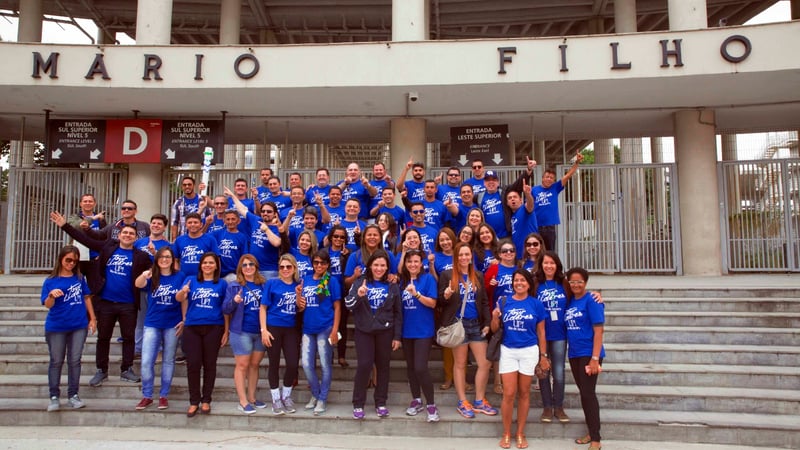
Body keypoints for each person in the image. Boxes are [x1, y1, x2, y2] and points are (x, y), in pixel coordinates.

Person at [50, 211, 150, 386]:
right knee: (103, 337)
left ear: (135, 238)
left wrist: (155, 253)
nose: (127, 236)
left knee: (128, 338)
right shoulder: (107, 247)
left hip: (128, 304)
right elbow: (85, 240)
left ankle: (126, 369)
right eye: (125, 233)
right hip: (106, 302)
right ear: (119, 235)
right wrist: (65, 226)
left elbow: (159, 266)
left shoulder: (140, 256)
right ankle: (101, 370)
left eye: (131, 234)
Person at [490, 269, 549, 450]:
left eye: (523, 280)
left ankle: (520, 433)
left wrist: (543, 356)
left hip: (529, 351)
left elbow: (541, 332)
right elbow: (494, 329)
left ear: (529, 283)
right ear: (512, 283)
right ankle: (506, 432)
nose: (519, 283)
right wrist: (494, 317)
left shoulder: (536, 304)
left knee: (524, 393)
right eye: (516, 280)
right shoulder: (504, 301)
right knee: (509, 393)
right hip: (508, 350)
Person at [437, 242, 496, 419]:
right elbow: (440, 301)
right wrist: (446, 295)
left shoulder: (477, 275)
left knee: (485, 363)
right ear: (456, 257)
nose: (464, 258)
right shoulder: (447, 275)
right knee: (460, 364)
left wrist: (487, 322)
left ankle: (479, 400)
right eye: (460, 255)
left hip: (476, 324)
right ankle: (462, 401)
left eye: (467, 254)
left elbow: (484, 301)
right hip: (457, 325)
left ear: (471, 256)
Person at [345, 250, 402, 420]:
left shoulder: (392, 286)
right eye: (376, 265)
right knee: (364, 365)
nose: (379, 268)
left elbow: (398, 313)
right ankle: (358, 403)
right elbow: (349, 304)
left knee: (383, 367)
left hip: (385, 331)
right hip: (364, 331)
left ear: (387, 267)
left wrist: (397, 336)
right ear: (370, 265)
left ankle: (381, 402)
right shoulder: (360, 282)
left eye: (382, 265)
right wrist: (359, 295)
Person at [42, 245, 96, 412]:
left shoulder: (79, 278)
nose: (71, 263)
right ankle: (54, 396)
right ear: (61, 259)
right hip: (57, 326)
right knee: (56, 361)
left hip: (78, 325)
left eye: (74, 260)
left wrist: (92, 318)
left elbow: (86, 298)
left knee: (75, 360)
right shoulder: (50, 281)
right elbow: (47, 304)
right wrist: (51, 295)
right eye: (68, 260)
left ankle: (73, 395)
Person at [176, 252, 229, 417]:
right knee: (193, 364)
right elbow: (179, 299)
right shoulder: (191, 280)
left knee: (210, 364)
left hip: (214, 327)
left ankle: (206, 400)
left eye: (211, 263)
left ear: (216, 266)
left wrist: (226, 331)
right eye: (205, 263)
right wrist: (183, 291)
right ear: (201, 265)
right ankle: (194, 401)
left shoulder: (222, 284)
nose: (207, 265)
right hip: (192, 327)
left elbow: (226, 309)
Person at [133, 246, 185, 411]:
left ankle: (163, 395)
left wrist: (184, 320)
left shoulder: (180, 276)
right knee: (147, 360)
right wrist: (143, 275)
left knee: (168, 360)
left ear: (173, 259)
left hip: (172, 323)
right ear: (157, 259)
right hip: (152, 323)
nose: (165, 260)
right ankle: (147, 395)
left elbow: (183, 299)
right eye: (161, 257)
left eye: (168, 257)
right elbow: (138, 284)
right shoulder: (152, 275)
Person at [565, 267, 605, 450]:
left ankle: (596, 439)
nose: (575, 285)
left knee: (588, 394)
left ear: (585, 282)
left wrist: (595, 358)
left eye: (579, 281)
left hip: (589, 354)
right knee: (585, 394)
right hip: (574, 354)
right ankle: (591, 432)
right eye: (572, 281)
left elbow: (599, 331)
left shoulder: (592, 300)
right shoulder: (571, 301)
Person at [398, 249, 440, 422]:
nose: (413, 265)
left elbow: (432, 303)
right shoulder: (403, 281)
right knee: (411, 368)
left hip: (424, 331)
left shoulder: (428, 278)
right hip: (407, 331)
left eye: (416, 261)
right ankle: (416, 400)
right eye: (410, 262)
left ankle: (431, 404)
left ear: (421, 263)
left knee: (420, 367)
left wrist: (416, 294)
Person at [223, 255, 268, 414]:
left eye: (251, 264)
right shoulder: (234, 286)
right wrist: (234, 301)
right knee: (242, 365)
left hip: (259, 331)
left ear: (256, 266)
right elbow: (225, 309)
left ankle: (252, 397)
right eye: (244, 265)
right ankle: (243, 401)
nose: (248, 267)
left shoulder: (263, 284)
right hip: (241, 331)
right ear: (240, 268)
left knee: (255, 365)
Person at [298, 250, 342, 416]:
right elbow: (301, 306)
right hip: (308, 328)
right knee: (307, 365)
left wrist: (335, 329)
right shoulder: (306, 279)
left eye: (322, 263)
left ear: (327, 265)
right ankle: (316, 394)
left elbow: (338, 307)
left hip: (325, 327)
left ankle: (322, 398)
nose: (319, 266)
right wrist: (297, 296)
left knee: (325, 365)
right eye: (316, 262)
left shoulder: (332, 281)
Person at [260, 254, 304, 415]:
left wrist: (299, 294)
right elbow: (263, 307)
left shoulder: (298, 284)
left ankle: (286, 395)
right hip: (273, 326)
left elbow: (300, 308)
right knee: (274, 363)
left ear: (294, 268)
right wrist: (264, 330)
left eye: (288, 267)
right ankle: (275, 398)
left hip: (291, 328)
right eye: (282, 267)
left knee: (292, 364)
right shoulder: (272, 283)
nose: (285, 270)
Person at [532, 153, 584, 252]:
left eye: (551, 178)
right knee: (536, 252)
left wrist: (577, 162)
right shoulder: (534, 190)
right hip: (536, 226)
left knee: (550, 252)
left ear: (554, 180)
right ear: (542, 178)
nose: (549, 179)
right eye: (547, 177)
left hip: (550, 227)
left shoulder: (555, 188)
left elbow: (568, 175)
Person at [66, 193, 106, 278]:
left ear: (94, 204)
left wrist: (101, 254)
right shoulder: (74, 217)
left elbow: (104, 238)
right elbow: (76, 226)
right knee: (77, 282)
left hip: (95, 258)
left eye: (90, 201)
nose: (88, 203)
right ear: (80, 204)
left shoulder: (101, 219)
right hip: (78, 257)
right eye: (85, 201)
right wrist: (93, 218)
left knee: (95, 285)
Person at [172, 212, 218, 278]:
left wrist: (214, 277)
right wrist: (177, 274)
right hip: (184, 278)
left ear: (201, 224)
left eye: (195, 222)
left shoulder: (210, 239)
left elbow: (217, 259)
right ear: (186, 225)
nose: (192, 225)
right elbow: (175, 260)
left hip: (204, 278)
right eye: (190, 223)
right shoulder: (179, 240)